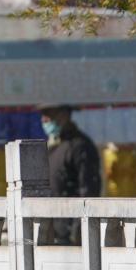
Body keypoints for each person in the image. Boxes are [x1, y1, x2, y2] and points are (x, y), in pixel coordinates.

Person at [37, 104, 102, 244]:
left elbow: (88, 190)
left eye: (49, 114)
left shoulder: (80, 146)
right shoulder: (53, 145)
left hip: (71, 232)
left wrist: (78, 230)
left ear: (64, 115)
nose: (44, 120)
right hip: (52, 229)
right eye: (43, 115)